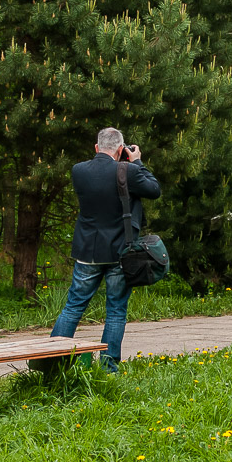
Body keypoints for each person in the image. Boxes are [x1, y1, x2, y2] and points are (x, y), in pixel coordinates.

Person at [51, 127, 161, 370]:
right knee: (116, 311)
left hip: (87, 251)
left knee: (73, 307)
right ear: (121, 149)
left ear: (96, 147)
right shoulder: (129, 171)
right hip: (119, 252)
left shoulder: (78, 170)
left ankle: (52, 364)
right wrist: (137, 161)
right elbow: (154, 190)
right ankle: (108, 369)